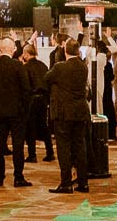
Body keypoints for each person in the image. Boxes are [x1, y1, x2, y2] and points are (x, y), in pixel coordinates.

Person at [45, 43, 90, 194]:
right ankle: (83, 182)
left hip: (64, 113)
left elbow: (46, 79)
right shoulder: (83, 67)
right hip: (80, 111)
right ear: (78, 51)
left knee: (63, 147)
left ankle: (66, 183)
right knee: (80, 146)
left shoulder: (60, 67)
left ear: (65, 51)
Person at [0, 37, 31, 187]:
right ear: (13, 49)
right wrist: (24, 110)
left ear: (1, 49)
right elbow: (26, 90)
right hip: (17, 112)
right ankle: (18, 177)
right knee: (18, 146)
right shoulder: (18, 66)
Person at [22, 43, 51, 163]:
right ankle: (50, 152)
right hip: (43, 99)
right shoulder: (43, 66)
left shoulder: (26, 67)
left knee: (31, 127)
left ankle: (32, 154)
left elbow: (25, 85)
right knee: (44, 126)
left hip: (32, 99)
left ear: (27, 54)